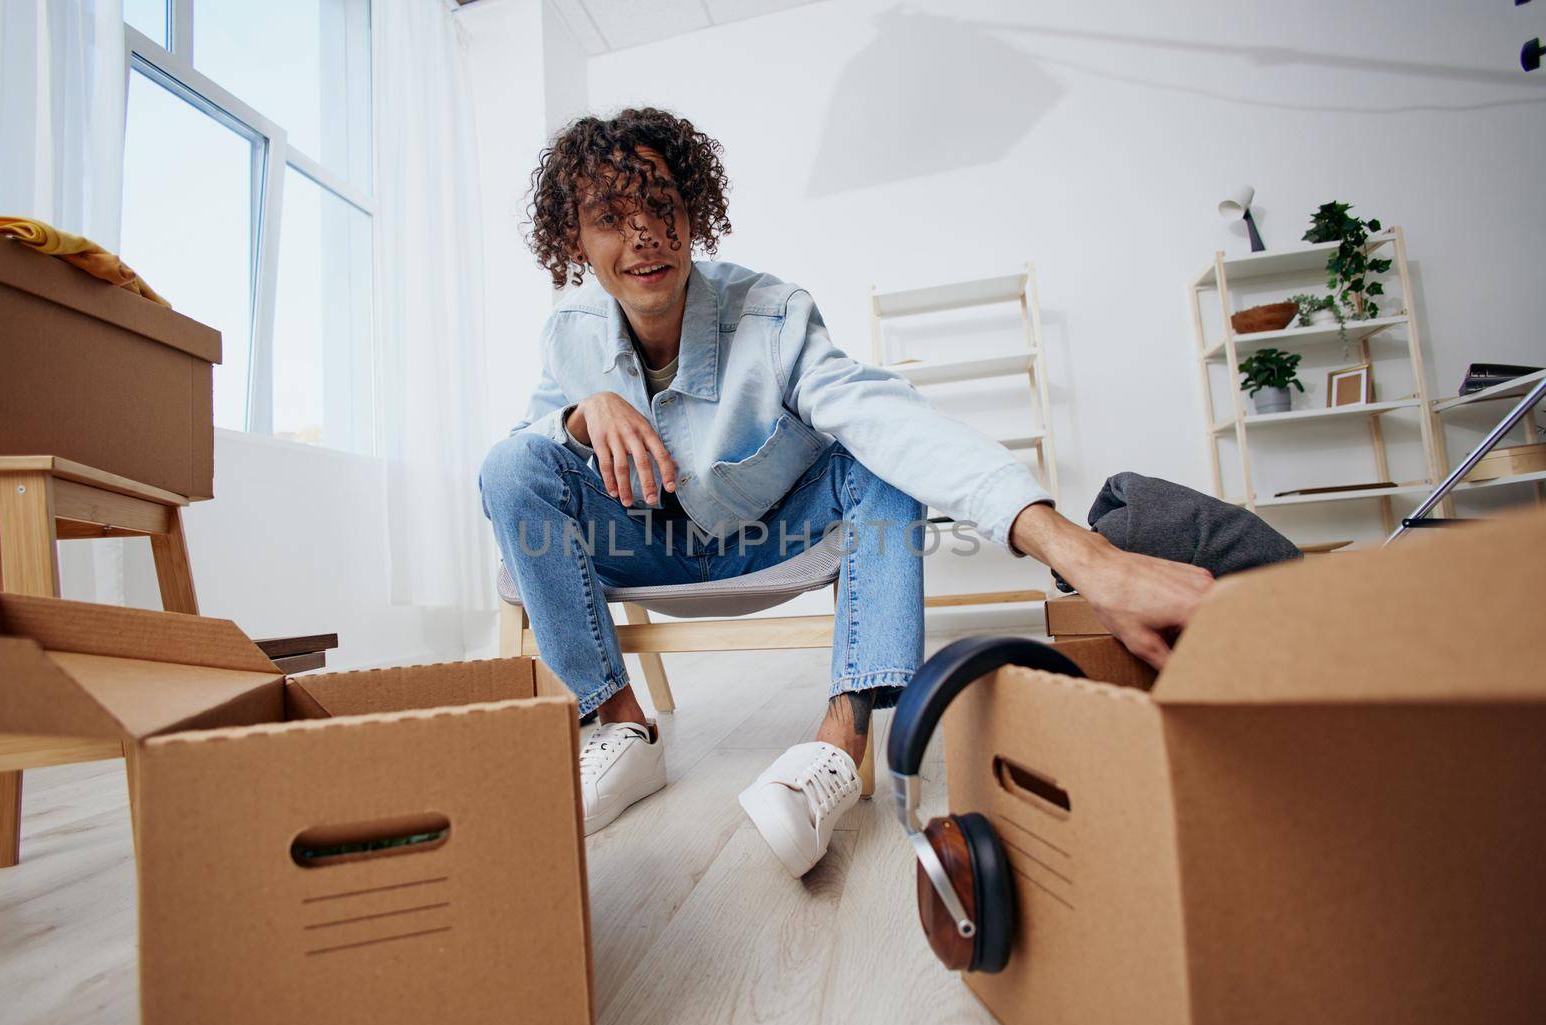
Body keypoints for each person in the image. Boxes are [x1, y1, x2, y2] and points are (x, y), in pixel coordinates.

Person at [479, 108, 1212, 875]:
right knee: (509, 464)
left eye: (661, 205)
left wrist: (1087, 555)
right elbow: (524, 463)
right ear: (574, 240)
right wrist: (576, 415)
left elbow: (885, 417)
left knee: (878, 455)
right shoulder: (568, 331)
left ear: (693, 209)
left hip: (765, 535)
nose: (644, 235)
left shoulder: (772, 315)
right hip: (640, 547)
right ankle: (625, 729)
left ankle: (835, 748)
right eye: (609, 217)